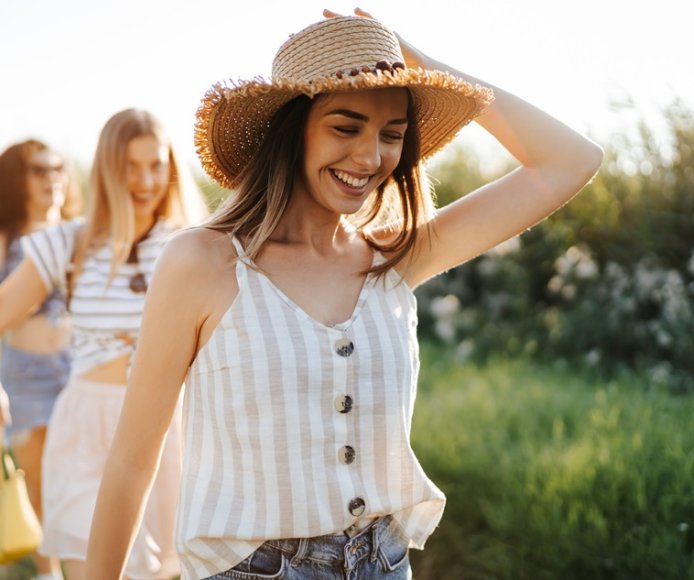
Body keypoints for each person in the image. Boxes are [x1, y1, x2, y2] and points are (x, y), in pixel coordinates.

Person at [86, 10, 603, 580]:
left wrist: (429, 69)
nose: (370, 156)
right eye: (345, 126)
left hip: (384, 563)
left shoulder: (397, 258)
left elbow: (572, 161)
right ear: (293, 128)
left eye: (392, 134)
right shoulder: (202, 263)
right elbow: (133, 460)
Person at [0, 109, 207, 580]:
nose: (146, 180)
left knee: (160, 571)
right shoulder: (67, 244)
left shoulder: (193, 245)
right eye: (131, 166)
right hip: (85, 429)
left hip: (165, 431)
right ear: (107, 169)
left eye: (157, 164)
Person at [0, 138, 81, 579]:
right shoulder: (4, 239)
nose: (51, 178)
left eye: (57, 168)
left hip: (78, 370)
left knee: (79, 478)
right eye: (39, 170)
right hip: (26, 372)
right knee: (37, 481)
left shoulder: (80, 231)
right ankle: (48, 571)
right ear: (20, 180)